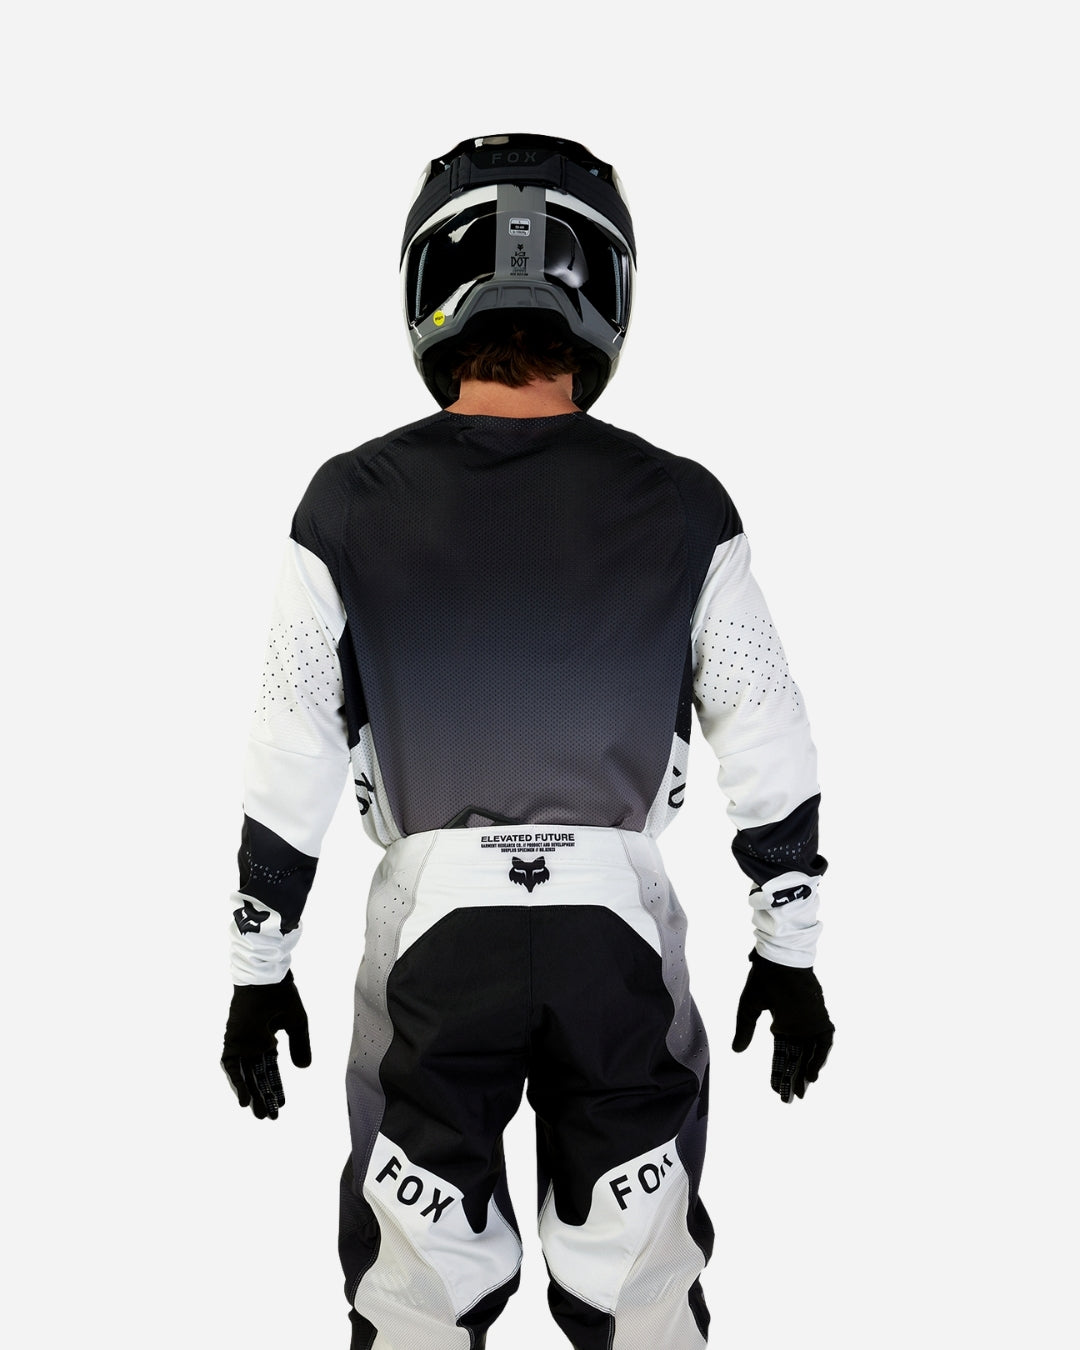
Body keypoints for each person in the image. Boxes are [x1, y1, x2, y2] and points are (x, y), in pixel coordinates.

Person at [221, 132, 834, 1350]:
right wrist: (791, 946)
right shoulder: (685, 502)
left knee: (416, 1287)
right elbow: (765, 726)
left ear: (427, 287)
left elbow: (292, 744)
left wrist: (257, 961)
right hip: (617, 921)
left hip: (433, 928)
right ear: (605, 291)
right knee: (641, 1281)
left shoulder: (348, 501)